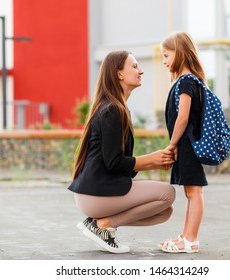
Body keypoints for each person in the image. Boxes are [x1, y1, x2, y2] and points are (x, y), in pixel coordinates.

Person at [68, 50, 176, 254]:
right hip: (95, 194)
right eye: (135, 66)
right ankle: (103, 226)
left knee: (164, 211)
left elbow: (115, 165)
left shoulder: (117, 108)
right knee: (167, 194)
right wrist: (150, 160)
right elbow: (113, 163)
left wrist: (152, 162)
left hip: (96, 193)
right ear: (119, 74)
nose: (141, 71)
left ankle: (101, 223)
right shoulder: (112, 110)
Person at [159, 31, 208, 253]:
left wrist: (172, 144)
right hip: (187, 145)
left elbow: (183, 117)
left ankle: (191, 240)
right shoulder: (187, 81)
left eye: (166, 55)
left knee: (194, 192)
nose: (164, 61)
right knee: (191, 192)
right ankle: (186, 236)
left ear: (179, 53)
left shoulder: (187, 81)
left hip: (187, 145)